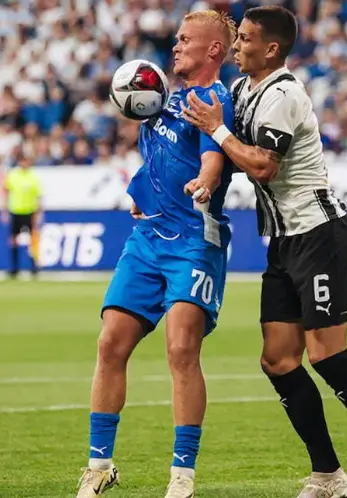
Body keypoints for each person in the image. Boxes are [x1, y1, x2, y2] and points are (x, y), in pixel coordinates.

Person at [182, 6, 347, 498]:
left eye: (245, 39)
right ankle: (328, 475)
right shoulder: (245, 91)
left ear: (271, 48)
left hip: (322, 234)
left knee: (327, 356)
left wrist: (218, 131)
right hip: (285, 240)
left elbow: (265, 167)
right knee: (278, 360)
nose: (236, 46)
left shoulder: (284, 93)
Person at [76, 10, 236, 498]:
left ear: (213, 50)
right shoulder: (161, 95)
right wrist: (142, 188)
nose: (176, 46)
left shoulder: (213, 99)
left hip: (193, 240)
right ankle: (99, 466)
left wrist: (206, 181)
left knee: (181, 348)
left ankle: (182, 476)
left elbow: (213, 155)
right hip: (147, 238)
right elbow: (157, 153)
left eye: (187, 40)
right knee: (110, 345)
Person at [1, 150, 43, 278]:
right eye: (23, 160)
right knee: (13, 240)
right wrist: (4, 210)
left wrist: (39, 212)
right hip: (16, 211)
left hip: (29, 211)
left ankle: (34, 266)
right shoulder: (13, 175)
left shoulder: (33, 177)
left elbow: (38, 197)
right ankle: (14, 267)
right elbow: (6, 192)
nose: (25, 163)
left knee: (33, 240)